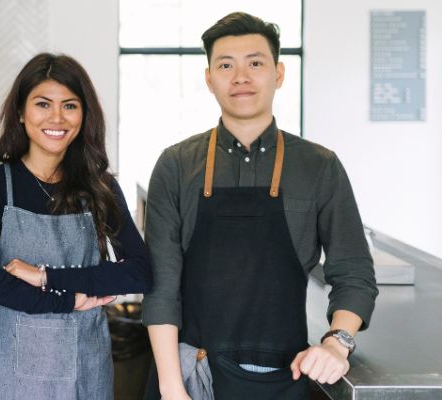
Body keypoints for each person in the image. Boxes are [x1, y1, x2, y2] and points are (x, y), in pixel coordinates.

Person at [142, 12, 378, 400]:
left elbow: (353, 273)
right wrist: (171, 388)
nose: (240, 77)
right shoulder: (176, 165)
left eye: (255, 63)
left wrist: (338, 342)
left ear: (279, 74)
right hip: (189, 375)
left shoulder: (319, 166)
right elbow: (162, 286)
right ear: (209, 78)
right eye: (225, 65)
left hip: (282, 376)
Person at [0, 53, 153, 399]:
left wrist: (47, 278)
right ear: (20, 113)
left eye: (69, 105)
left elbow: (139, 272)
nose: (56, 117)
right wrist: (68, 301)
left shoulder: (101, 187)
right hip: (10, 366)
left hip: (87, 364)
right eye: (43, 104)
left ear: (83, 115)